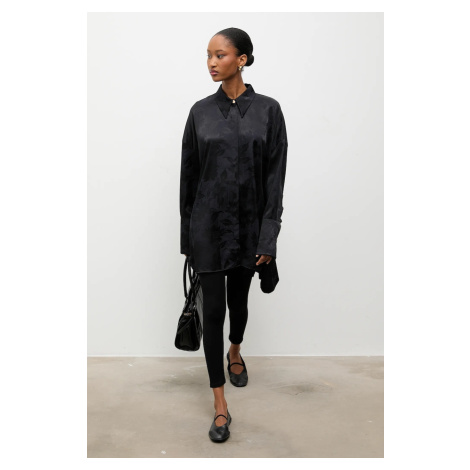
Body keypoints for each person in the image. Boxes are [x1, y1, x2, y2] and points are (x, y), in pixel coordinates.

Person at [179, 27, 288, 443]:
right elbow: (188, 179)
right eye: (208, 55)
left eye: (220, 55)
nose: (211, 62)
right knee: (212, 313)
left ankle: (236, 349)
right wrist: (188, 241)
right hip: (207, 229)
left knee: (238, 306)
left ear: (241, 59)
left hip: (249, 230)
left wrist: (268, 236)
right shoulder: (199, 113)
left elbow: (275, 179)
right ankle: (220, 403)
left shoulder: (269, 111)